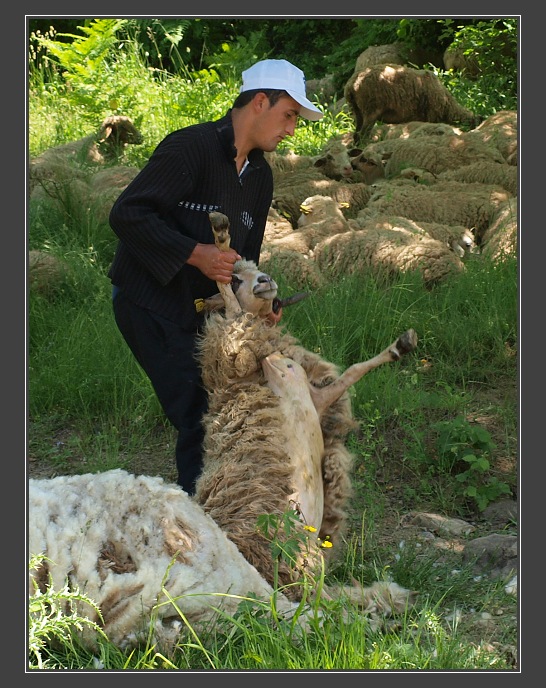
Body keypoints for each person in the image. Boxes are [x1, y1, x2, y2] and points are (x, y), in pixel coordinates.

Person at [108, 59, 323, 495]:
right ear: (260, 102)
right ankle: (202, 525)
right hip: (149, 301)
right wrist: (194, 253)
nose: (292, 130)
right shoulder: (190, 149)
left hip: (200, 310)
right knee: (199, 415)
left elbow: (246, 255)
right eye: (289, 115)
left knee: (219, 405)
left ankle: (217, 514)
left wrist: (259, 304)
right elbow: (127, 213)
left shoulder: (260, 175)